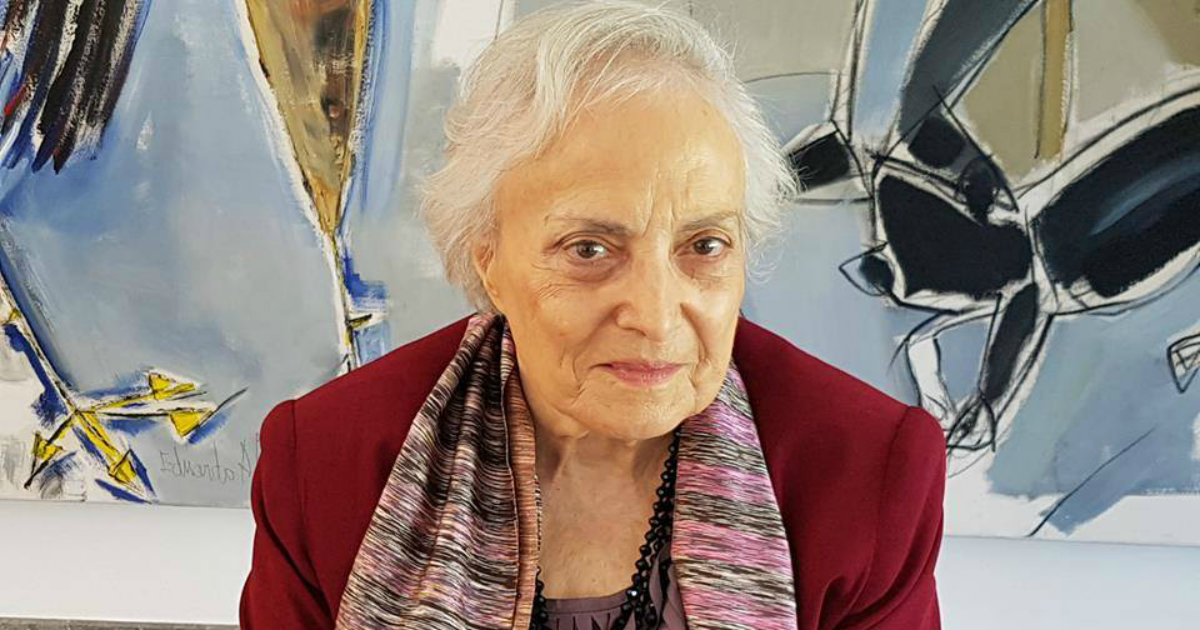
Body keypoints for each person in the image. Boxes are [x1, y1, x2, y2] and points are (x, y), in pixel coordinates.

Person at [240, 2, 947, 628]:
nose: (656, 316)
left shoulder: (867, 471)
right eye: (589, 249)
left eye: (704, 245)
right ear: (489, 261)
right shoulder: (326, 464)